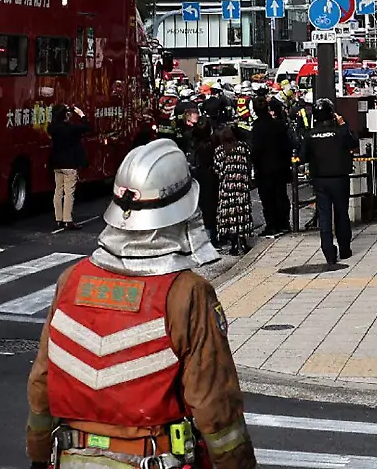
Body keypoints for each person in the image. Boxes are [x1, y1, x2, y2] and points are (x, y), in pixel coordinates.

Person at [25, 140, 255, 469]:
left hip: (71, 457)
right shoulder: (187, 293)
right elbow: (214, 404)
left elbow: (42, 380)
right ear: (183, 212)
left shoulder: (71, 280)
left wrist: (37, 453)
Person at [300, 100, 355, 267]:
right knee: (341, 214)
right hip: (339, 178)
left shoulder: (310, 135)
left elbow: (303, 156)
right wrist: (343, 124)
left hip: (320, 180)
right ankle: (345, 249)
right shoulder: (339, 132)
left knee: (324, 216)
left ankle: (329, 253)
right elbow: (353, 143)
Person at [249, 94, 293, 235]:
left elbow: (255, 150)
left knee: (267, 198)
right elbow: (287, 146)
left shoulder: (256, 129)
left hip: (264, 169)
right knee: (281, 195)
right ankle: (284, 223)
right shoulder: (279, 126)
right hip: (280, 167)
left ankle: (272, 225)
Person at [49, 104, 93, 231]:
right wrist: (81, 114)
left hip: (57, 163)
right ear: (65, 115)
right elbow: (87, 127)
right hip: (69, 164)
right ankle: (68, 220)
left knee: (58, 191)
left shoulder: (52, 128)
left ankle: (59, 219)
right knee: (69, 192)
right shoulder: (71, 129)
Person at [214, 125, 253, 255]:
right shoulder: (243, 147)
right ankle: (243, 240)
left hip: (227, 187)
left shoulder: (220, 150)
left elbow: (217, 169)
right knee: (242, 214)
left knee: (230, 216)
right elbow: (248, 164)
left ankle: (233, 244)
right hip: (241, 186)